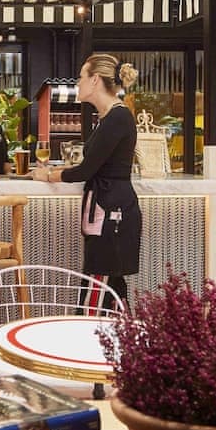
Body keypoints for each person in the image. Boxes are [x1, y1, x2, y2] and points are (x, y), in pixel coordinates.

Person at [40, 54, 141, 307]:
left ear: (95, 80)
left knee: (97, 289)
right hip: (109, 209)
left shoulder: (117, 117)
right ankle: (123, 332)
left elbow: (85, 170)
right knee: (113, 292)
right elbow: (95, 165)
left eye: (81, 77)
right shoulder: (109, 117)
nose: (78, 82)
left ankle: (87, 329)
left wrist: (49, 175)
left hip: (112, 213)